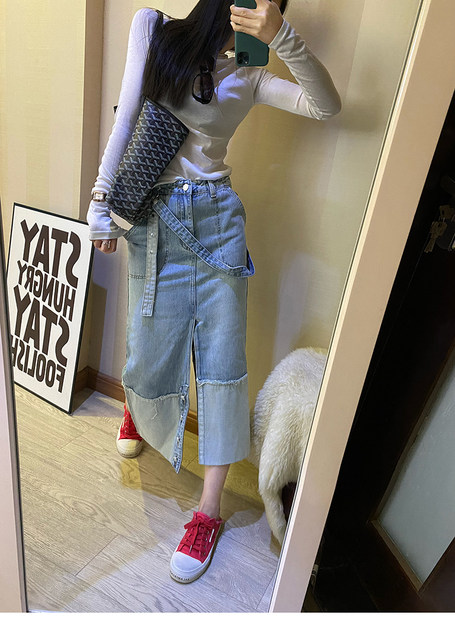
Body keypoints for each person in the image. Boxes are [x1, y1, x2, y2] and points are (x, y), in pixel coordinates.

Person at [87, 0, 341, 585]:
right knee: (149, 340)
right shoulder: (156, 32)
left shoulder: (251, 73)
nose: (261, 7)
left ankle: (207, 513)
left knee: (224, 366)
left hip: (218, 224)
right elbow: (128, 118)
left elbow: (326, 105)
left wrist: (283, 37)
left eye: (274, 4)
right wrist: (101, 202)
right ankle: (138, 408)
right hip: (154, 219)